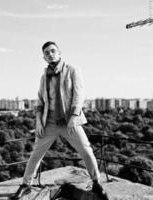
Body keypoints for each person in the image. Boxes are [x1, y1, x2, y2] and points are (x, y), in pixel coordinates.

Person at [11, 41, 109, 200]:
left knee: (86, 150)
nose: (50, 54)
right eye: (47, 53)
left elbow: (79, 94)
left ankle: (97, 183)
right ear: (43, 57)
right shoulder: (44, 76)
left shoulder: (72, 70)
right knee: (36, 154)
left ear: (59, 53)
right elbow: (40, 101)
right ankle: (26, 185)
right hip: (48, 121)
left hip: (69, 120)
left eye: (53, 51)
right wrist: (38, 122)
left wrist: (74, 117)